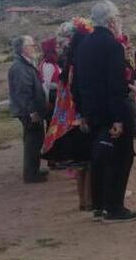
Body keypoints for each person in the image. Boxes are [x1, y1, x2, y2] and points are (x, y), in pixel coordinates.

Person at [74, 0, 136, 223]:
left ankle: (98, 205)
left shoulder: (83, 45)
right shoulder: (112, 46)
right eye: (119, 18)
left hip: (91, 111)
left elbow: (77, 83)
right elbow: (115, 84)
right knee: (122, 157)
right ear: (112, 22)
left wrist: (81, 112)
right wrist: (118, 118)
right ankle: (114, 207)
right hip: (111, 111)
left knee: (99, 157)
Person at [42, 17, 94, 210]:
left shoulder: (65, 65)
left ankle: (83, 201)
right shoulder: (77, 66)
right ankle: (89, 200)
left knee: (81, 165)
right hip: (79, 119)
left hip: (69, 121)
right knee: (88, 163)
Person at [8, 35, 48, 183]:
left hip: (30, 110)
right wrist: (32, 111)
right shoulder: (20, 68)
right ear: (24, 49)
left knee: (36, 139)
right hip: (28, 112)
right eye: (31, 45)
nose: (34, 47)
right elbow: (23, 92)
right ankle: (31, 174)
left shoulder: (25, 65)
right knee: (33, 141)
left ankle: (33, 170)